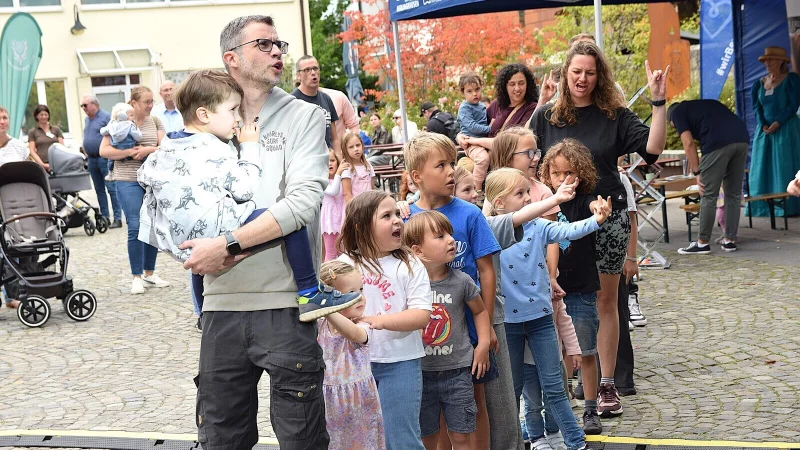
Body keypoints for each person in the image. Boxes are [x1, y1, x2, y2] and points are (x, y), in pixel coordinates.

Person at [182, 15, 332, 449]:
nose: (277, 53)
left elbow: (302, 204)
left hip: (287, 304)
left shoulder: (304, 116)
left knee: (302, 441)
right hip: (219, 308)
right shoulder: (203, 124)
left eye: (279, 44)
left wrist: (227, 244)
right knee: (221, 440)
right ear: (231, 59)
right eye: (264, 45)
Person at [137, 69, 361, 322]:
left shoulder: (168, 145)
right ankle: (310, 292)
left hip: (183, 239)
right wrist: (250, 146)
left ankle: (202, 312)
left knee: (202, 258)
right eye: (232, 110)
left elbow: (145, 178)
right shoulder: (212, 148)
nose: (237, 118)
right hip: (218, 224)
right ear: (204, 115)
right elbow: (244, 188)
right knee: (288, 219)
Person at [529, 41, 668, 417]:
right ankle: (576, 375)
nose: (583, 79)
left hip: (608, 219)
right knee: (564, 301)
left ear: (599, 75)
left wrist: (658, 103)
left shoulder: (615, 115)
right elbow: (522, 158)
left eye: (590, 72)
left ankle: (606, 384)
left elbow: (653, 149)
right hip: (560, 220)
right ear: (565, 74)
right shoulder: (546, 117)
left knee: (606, 303)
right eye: (576, 72)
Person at [487, 167, 610, 450]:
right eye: (520, 194)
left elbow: (569, 230)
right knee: (514, 389)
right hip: (509, 324)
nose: (528, 198)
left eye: (528, 192)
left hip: (542, 318)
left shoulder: (539, 226)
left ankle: (575, 441)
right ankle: (523, 440)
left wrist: (596, 220)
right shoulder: (491, 230)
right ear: (499, 203)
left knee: (555, 385)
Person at [404, 133, 504, 450]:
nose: (451, 171)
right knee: (436, 407)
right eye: (441, 165)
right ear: (417, 176)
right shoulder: (405, 218)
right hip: (429, 340)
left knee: (473, 402)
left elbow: (487, 271)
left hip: (469, 329)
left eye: (452, 163)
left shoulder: (470, 214)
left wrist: (484, 330)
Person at [337, 191, 433, 450]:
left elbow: (421, 314)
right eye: (386, 216)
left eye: (397, 215)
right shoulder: (344, 264)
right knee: (360, 437)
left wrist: (378, 321)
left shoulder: (409, 263)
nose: (397, 221)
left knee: (400, 438)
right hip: (354, 367)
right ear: (361, 226)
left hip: (399, 363)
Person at [537, 139, 608, 433]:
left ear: (581, 174)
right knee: (559, 353)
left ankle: (590, 408)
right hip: (549, 290)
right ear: (547, 175)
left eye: (570, 173)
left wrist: (598, 210)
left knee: (587, 350)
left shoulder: (583, 199)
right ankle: (562, 404)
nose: (563, 179)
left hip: (580, 287)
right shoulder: (542, 204)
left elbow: (593, 206)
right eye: (556, 173)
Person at [404, 211, 491, 450]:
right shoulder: (408, 284)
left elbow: (480, 311)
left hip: (458, 372)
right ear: (418, 251)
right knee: (426, 436)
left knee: (462, 435)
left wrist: (483, 344)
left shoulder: (462, 281)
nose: (451, 240)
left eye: (450, 234)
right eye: (440, 236)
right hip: (420, 374)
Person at [99, 86, 170, 295]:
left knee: (153, 226)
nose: (151, 105)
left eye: (152, 101)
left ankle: (149, 273)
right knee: (135, 225)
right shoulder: (118, 121)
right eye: (147, 102)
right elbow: (104, 151)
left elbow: (166, 147)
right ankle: (136, 276)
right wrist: (130, 152)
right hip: (127, 180)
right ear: (134, 103)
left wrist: (148, 149)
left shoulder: (155, 121)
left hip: (151, 181)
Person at [317, 260, 386, 450]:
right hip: (327, 402)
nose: (360, 297)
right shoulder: (320, 325)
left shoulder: (363, 324)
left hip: (359, 404)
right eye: (351, 292)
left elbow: (354, 335)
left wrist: (324, 307)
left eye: (361, 289)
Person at [666, 100, 749, 254]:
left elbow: (688, 143)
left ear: (670, 118)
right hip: (742, 139)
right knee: (733, 194)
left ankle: (702, 243)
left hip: (717, 143)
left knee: (708, 193)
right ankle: (729, 240)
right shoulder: (703, 106)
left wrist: (697, 172)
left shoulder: (676, 113)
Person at [750, 46, 800, 217]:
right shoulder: (759, 83)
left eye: (771, 60)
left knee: (783, 164)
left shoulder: (791, 80)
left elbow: (793, 105)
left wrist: (778, 122)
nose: (767, 63)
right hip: (765, 132)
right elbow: (756, 108)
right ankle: (762, 207)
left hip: (785, 129)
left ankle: (788, 206)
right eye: (766, 60)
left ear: (780, 62)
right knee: (762, 167)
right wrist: (762, 124)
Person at [0, 105, 38, 310]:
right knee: (2, 253)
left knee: (18, 249)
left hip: (17, 204)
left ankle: (14, 294)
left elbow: (30, 170)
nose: (2, 121)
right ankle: (8, 295)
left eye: (5, 117)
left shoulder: (18, 147)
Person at [457, 63, 539, 153]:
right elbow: (476, 124)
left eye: (521, 83)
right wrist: (460, 136)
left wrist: (473, 141)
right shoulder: (498, 104)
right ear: (505, 86)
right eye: (512, 84)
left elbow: (512, 142)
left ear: (528, 84)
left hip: (509, 163)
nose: (517, 88)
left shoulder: (532, 108)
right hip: (488, 158)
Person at [81, 95, 122, 228]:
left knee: (111, 188)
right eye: (82, 106)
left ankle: (117, 218)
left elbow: (114, 135)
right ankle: (105, 217)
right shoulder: (87, 119)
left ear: (94, 105)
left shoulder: (105, 117)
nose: (83, 108)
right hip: (92, 159)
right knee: (99, 190)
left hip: (104, 158)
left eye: (85, 105)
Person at [292, 55, 339, 149]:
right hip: (305, 159)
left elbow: (334, 138)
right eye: (307, 70)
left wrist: (338, 158)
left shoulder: (326, 99)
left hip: (328, 159)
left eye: (315, 68)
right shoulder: (292, 101)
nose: (313, 73)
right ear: (298, 75)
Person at [457, 72, 492, 192]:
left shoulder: (481, 105)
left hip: (482, 141)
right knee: (483, 159)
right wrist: (489, 129)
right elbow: (471, 126)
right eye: (469, 91)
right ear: (463, 92)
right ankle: (476, 188)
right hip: (471, 143)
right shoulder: (465, 108)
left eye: (477, 89)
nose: (475, 93)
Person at [101, 102, 143, 180]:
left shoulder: (112, 124)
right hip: (129, 146)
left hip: (116, 146)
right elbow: (137, 136)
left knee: (111, 160)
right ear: (123, 115)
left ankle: (110, 173)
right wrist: (140, 136)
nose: (133, 117)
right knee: (139, 155)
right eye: (131, 115)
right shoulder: (130, 124)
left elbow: (104, 131)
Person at [321, 149, 349, 261]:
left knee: (343, 252)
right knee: (331, 253)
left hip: (342, 217)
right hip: (329, 220)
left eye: (332, 160)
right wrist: (338, 173)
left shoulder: (343, 179)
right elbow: (334, 191)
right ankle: (328, 277)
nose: (329, 163)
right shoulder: (322, 181)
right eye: (326, 161)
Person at [340, 130, 375, 204]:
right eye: (351, 147)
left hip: (368, 206)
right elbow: (347, 194)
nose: (356, 149)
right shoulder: (347, 169)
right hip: (355, 208)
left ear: (362, 146)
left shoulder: (368, 166)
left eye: (358, 145)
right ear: (345, 150)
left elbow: (372, 189)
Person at [27, 104, 64, 169]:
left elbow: (62, 147)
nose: (44, 117)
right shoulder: (32, 132)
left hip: (58, 163)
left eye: (46, 114)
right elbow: (32, 151)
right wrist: (42, 164)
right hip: (42, 165)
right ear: (37, 116)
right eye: (41, 115)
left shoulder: (56, 129)